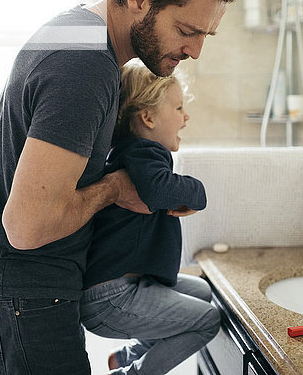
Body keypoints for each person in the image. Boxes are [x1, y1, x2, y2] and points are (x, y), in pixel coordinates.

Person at [0, 0, 244, 374]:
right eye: (186, 31)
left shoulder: (83, 40)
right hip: (22, 297)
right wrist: (115, 188)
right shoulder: (84, 64)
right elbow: (26, 228)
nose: (195, 51)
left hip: (23, 291)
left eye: (205, 35)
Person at [81, 59, 215, 375]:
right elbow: (159, 190)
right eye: (179, 108)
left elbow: (156, 190)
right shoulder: (144, 152)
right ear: (148, 118)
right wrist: (197, 192)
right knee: (208, 320)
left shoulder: (131, 152)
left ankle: (128, 354)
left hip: (118, 287)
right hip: (111, 298)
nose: (186, 117)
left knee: (204, 292)